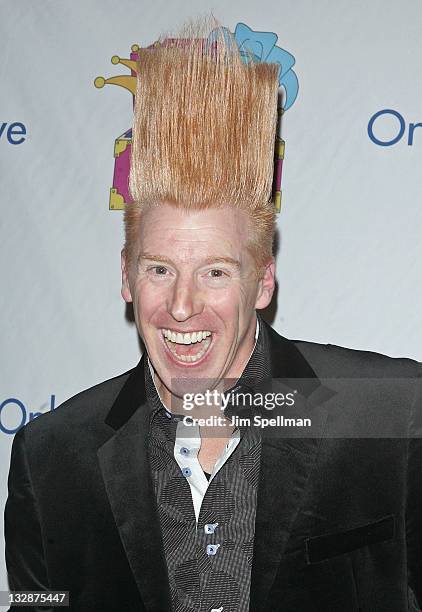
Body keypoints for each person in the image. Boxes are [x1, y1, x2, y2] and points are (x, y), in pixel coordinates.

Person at [4, 19, 422, 612]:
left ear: (263, 280)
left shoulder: (395, 416)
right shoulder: (50, 460)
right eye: (159, 269)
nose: (181, 306)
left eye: (216, 272)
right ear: (126, 275)